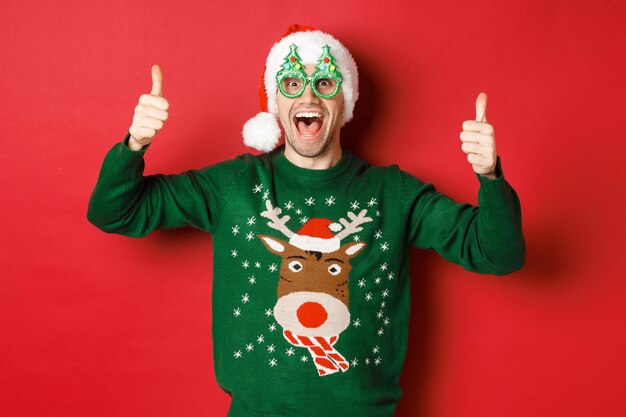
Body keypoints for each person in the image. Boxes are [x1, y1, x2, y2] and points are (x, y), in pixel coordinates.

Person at [88, 24, 525, 417]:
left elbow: (498, 254)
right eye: (293, 83)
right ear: (276, 103)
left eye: (325, 82)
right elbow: (114, 212)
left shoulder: (394, 193)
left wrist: (490, 177)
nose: (309, 97)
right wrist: (134, 144)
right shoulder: (235, 185)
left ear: (345, 99)